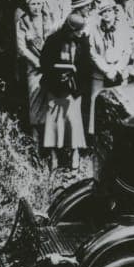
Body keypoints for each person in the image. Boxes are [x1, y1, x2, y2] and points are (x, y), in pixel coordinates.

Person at [41, 13, 91, 170]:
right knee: (54, 121)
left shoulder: (83, 41)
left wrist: (75, 75)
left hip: (74, 88)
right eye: (78, 30)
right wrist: (58, 75)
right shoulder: (53, 41)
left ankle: (75, 153)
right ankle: (54, 155)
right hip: (55, 87)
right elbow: (44, 63)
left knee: (74, 122)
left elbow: (86, 65)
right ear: (71, 29)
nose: (81, 33)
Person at [86, 0, 132, 135]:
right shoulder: (94, 29)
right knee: (96, 105)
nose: (106, 14)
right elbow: (92, 52)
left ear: (114, 12)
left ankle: (120, 135)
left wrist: (117, 69)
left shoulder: (123, 28)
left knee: (121, 105)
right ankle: (95, 138)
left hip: (119, 72)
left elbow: (127, 51)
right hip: (100, 73)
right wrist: (106, 70)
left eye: (109, 11)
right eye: (103, 11)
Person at [16, 0, 50, 138]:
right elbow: (21, 48)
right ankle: (35, 138)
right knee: (35, 98)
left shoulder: (48, 19)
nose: (36, 7)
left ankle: (50, 139)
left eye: (38, 4)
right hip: (34, 67)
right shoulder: (23, 22)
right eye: (33, 4)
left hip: (50, 65)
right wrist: (37, 63)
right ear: (28, 5)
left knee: (50, 99)